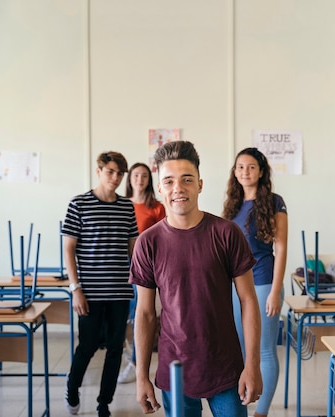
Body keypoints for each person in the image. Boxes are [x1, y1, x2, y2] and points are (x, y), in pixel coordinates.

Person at [130, 140, 263, 417]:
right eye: (168, 181)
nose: (178, 188)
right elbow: (144, 314)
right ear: (159, 189)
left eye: (186, 179)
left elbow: (248, 301)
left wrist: (252, 365)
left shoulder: (226, 234)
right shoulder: (148, 243)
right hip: (174, 370)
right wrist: (142, 375)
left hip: (225, 368)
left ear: (200, 185)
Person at [62, 151, 139, 417]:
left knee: (116, 349)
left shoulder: (126, 207)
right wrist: (75, 289)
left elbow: (133, 249)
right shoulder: (79, 204)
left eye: (120, 173)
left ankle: (104, 403)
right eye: (110, 172)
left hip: (120, 291)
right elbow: (68, 249)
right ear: (99, 171)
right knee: (88, 346)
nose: (115, 178)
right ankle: (72, 388)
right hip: (90, 292)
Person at [222, 147, 288, 417]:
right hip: (236, 287)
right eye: (240, 167)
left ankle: (261, 412)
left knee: (263, 350)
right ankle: (242, 405)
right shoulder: (232, 205)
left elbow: (281, 248)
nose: (245, 172)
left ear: (261, 171)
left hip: (262, 284)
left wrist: (275, 291)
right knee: (240, 349)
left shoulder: (274, 201)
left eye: (250, 167)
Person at [118, 162, 166, 384]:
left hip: (146, 267)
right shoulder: (120, 205)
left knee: (139, 312)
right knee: (123, 315)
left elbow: (164, 240)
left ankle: (137, 362)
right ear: (130, 179)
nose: (140, 179)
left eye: (144, 176)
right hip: (120, 266)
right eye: (136, 175)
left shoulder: (156, 207)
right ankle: (127, 355)